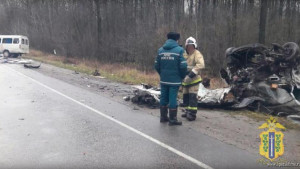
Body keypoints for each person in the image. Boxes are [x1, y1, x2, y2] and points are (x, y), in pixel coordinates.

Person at [154, 32, 187, 126]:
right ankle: (172, 120)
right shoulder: (180, 50)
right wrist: (182, 76)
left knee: (163, 97)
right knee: (173, 98)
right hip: (175, 80)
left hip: (164, 79)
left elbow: (156, 65)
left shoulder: (160, 50)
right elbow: (183, 66)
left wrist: (162, 73)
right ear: (177, 39)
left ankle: (163, 117)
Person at [181, 37, 205, 121]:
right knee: (186, 97)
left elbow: (201, 65)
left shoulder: (197, 54)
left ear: (194, 46)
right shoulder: (184, 54)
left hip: (194, 79)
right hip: (185, 79)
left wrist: (190, 75)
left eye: (191, 46)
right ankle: (187, 111)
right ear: (186, 46)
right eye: (188, 46)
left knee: (192, 97)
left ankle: (192, 114)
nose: (190, 47)